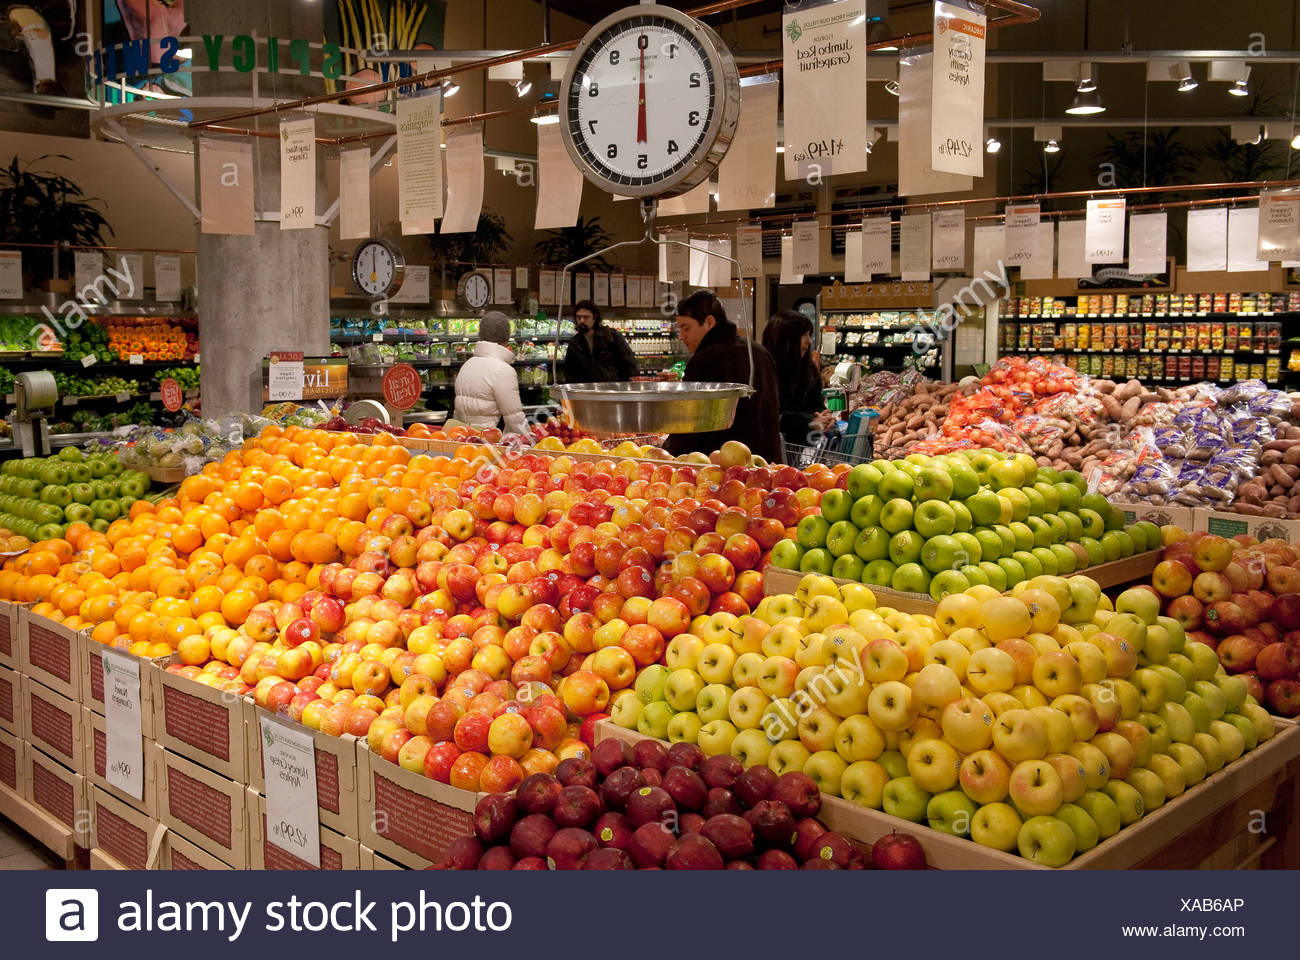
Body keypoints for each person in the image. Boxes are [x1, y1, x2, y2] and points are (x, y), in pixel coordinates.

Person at [664, 290, 783, 463]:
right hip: (767, 462)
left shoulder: (705, 359)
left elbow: (690, 421)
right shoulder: (758, 351)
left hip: (723, 467)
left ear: (709, 322)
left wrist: (669, 452)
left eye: (686, 328)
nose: (681, 336)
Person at [762, 309, 836, 451]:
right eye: (803, 335)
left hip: (803, 451)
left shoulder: (809, 370)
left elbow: (816, 405)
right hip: (772, 451)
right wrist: (809, 422)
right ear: (785, 339)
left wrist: (824, 418)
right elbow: (771, 417)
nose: (809, 341)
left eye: (809, 334)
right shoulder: (765, 370)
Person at [453, 311, 529, 436]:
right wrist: (530, 441)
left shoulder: (467, 365)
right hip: (489, 440)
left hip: (464, 438)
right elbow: (514, 418)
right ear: (506, 338)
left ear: (480, 335)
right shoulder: (503, 370)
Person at [563, 299, 638, 383]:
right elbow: (570, 372)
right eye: (578, 317)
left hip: (611, 390)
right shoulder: (575, 343)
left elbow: (629, 365)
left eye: (586, 317)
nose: (581, 321)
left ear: (595, 317)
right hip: (586, 392)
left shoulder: (611, 336)